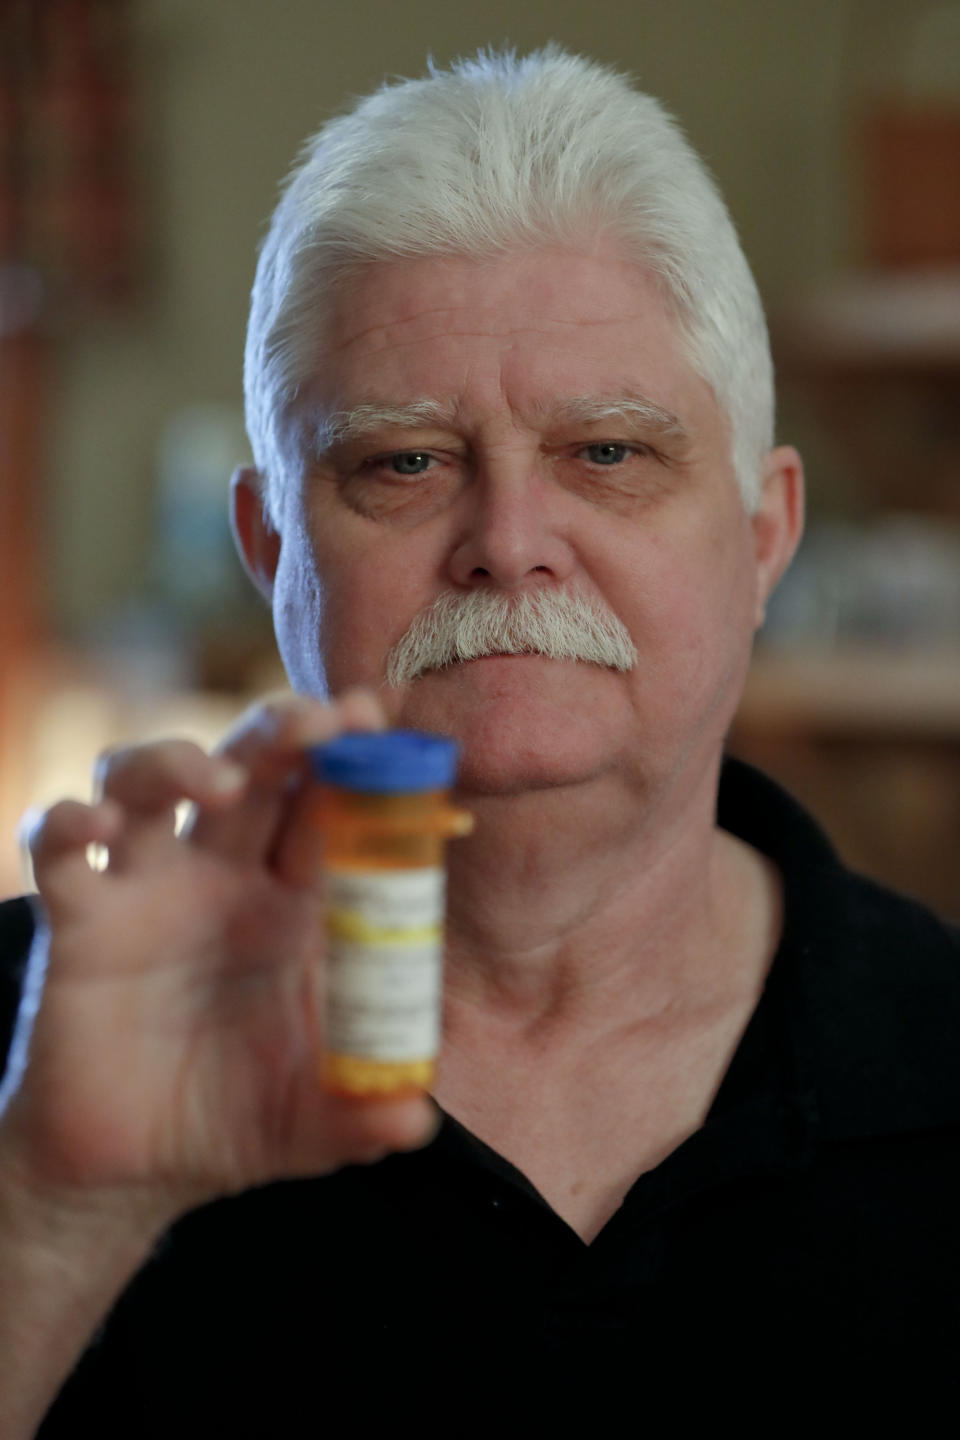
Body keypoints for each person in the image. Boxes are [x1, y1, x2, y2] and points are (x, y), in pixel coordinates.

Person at [1, 46, 958, 1433]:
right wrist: (46, 1225)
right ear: (272, 553)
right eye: (403, 462)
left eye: (609, 455)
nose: (509, 546)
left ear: (765, 538)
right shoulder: (36, 1062)